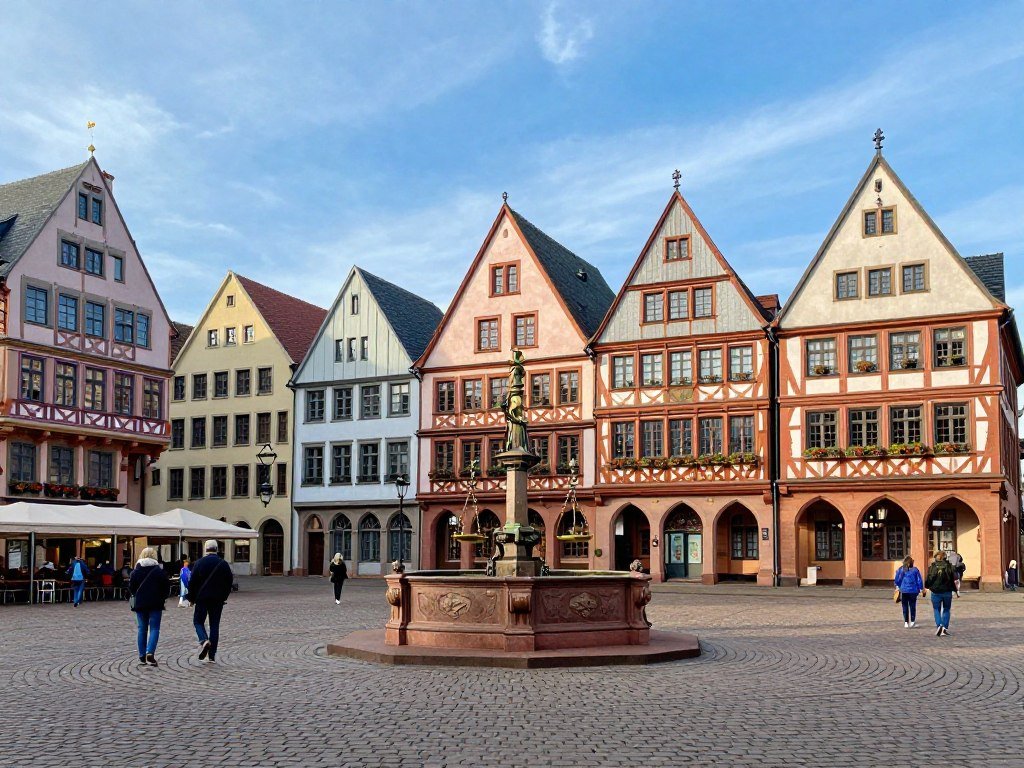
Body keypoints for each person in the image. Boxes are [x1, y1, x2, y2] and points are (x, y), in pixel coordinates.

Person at [187, 540, 233, 663]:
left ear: (205, 549)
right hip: (217, 599)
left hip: (201, 598)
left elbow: (192, 583)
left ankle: (204, 640)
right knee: (214, 625)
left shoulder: (199, 563)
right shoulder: (223, 564)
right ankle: (212, 655)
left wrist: (191, 598)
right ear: (217, 549)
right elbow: (229, 582)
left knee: (198, 621)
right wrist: (224, 596)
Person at [128, 547, 170, 667]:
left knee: (142, 629)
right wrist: (162, 598)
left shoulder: (136, 571)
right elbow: (166, 588)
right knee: (155, 628)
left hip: (140, 603)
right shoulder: (159, 571)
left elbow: (131, 588)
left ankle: (142, 656)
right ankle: (150, 652)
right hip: (156, 603)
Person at [925, 550, 957, 637]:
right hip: (947, 591)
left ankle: (939, 626)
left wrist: (927, 586)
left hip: (935, 591)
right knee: (946, 609)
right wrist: (955, 590)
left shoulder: (932, 567)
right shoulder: (949, 566)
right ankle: (944, 628)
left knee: (936, 609)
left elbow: (929, 578)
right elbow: (953, 579)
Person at [894, 556, 924, 628]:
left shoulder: (902, 569)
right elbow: (919, 580)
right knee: (912, 606)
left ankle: (906, 622)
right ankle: (912, 622)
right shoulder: (915, 570)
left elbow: (897, 580)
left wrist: (898, 586)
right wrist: (921, 588)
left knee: (905, 606)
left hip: (904, 590)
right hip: (913, 591)